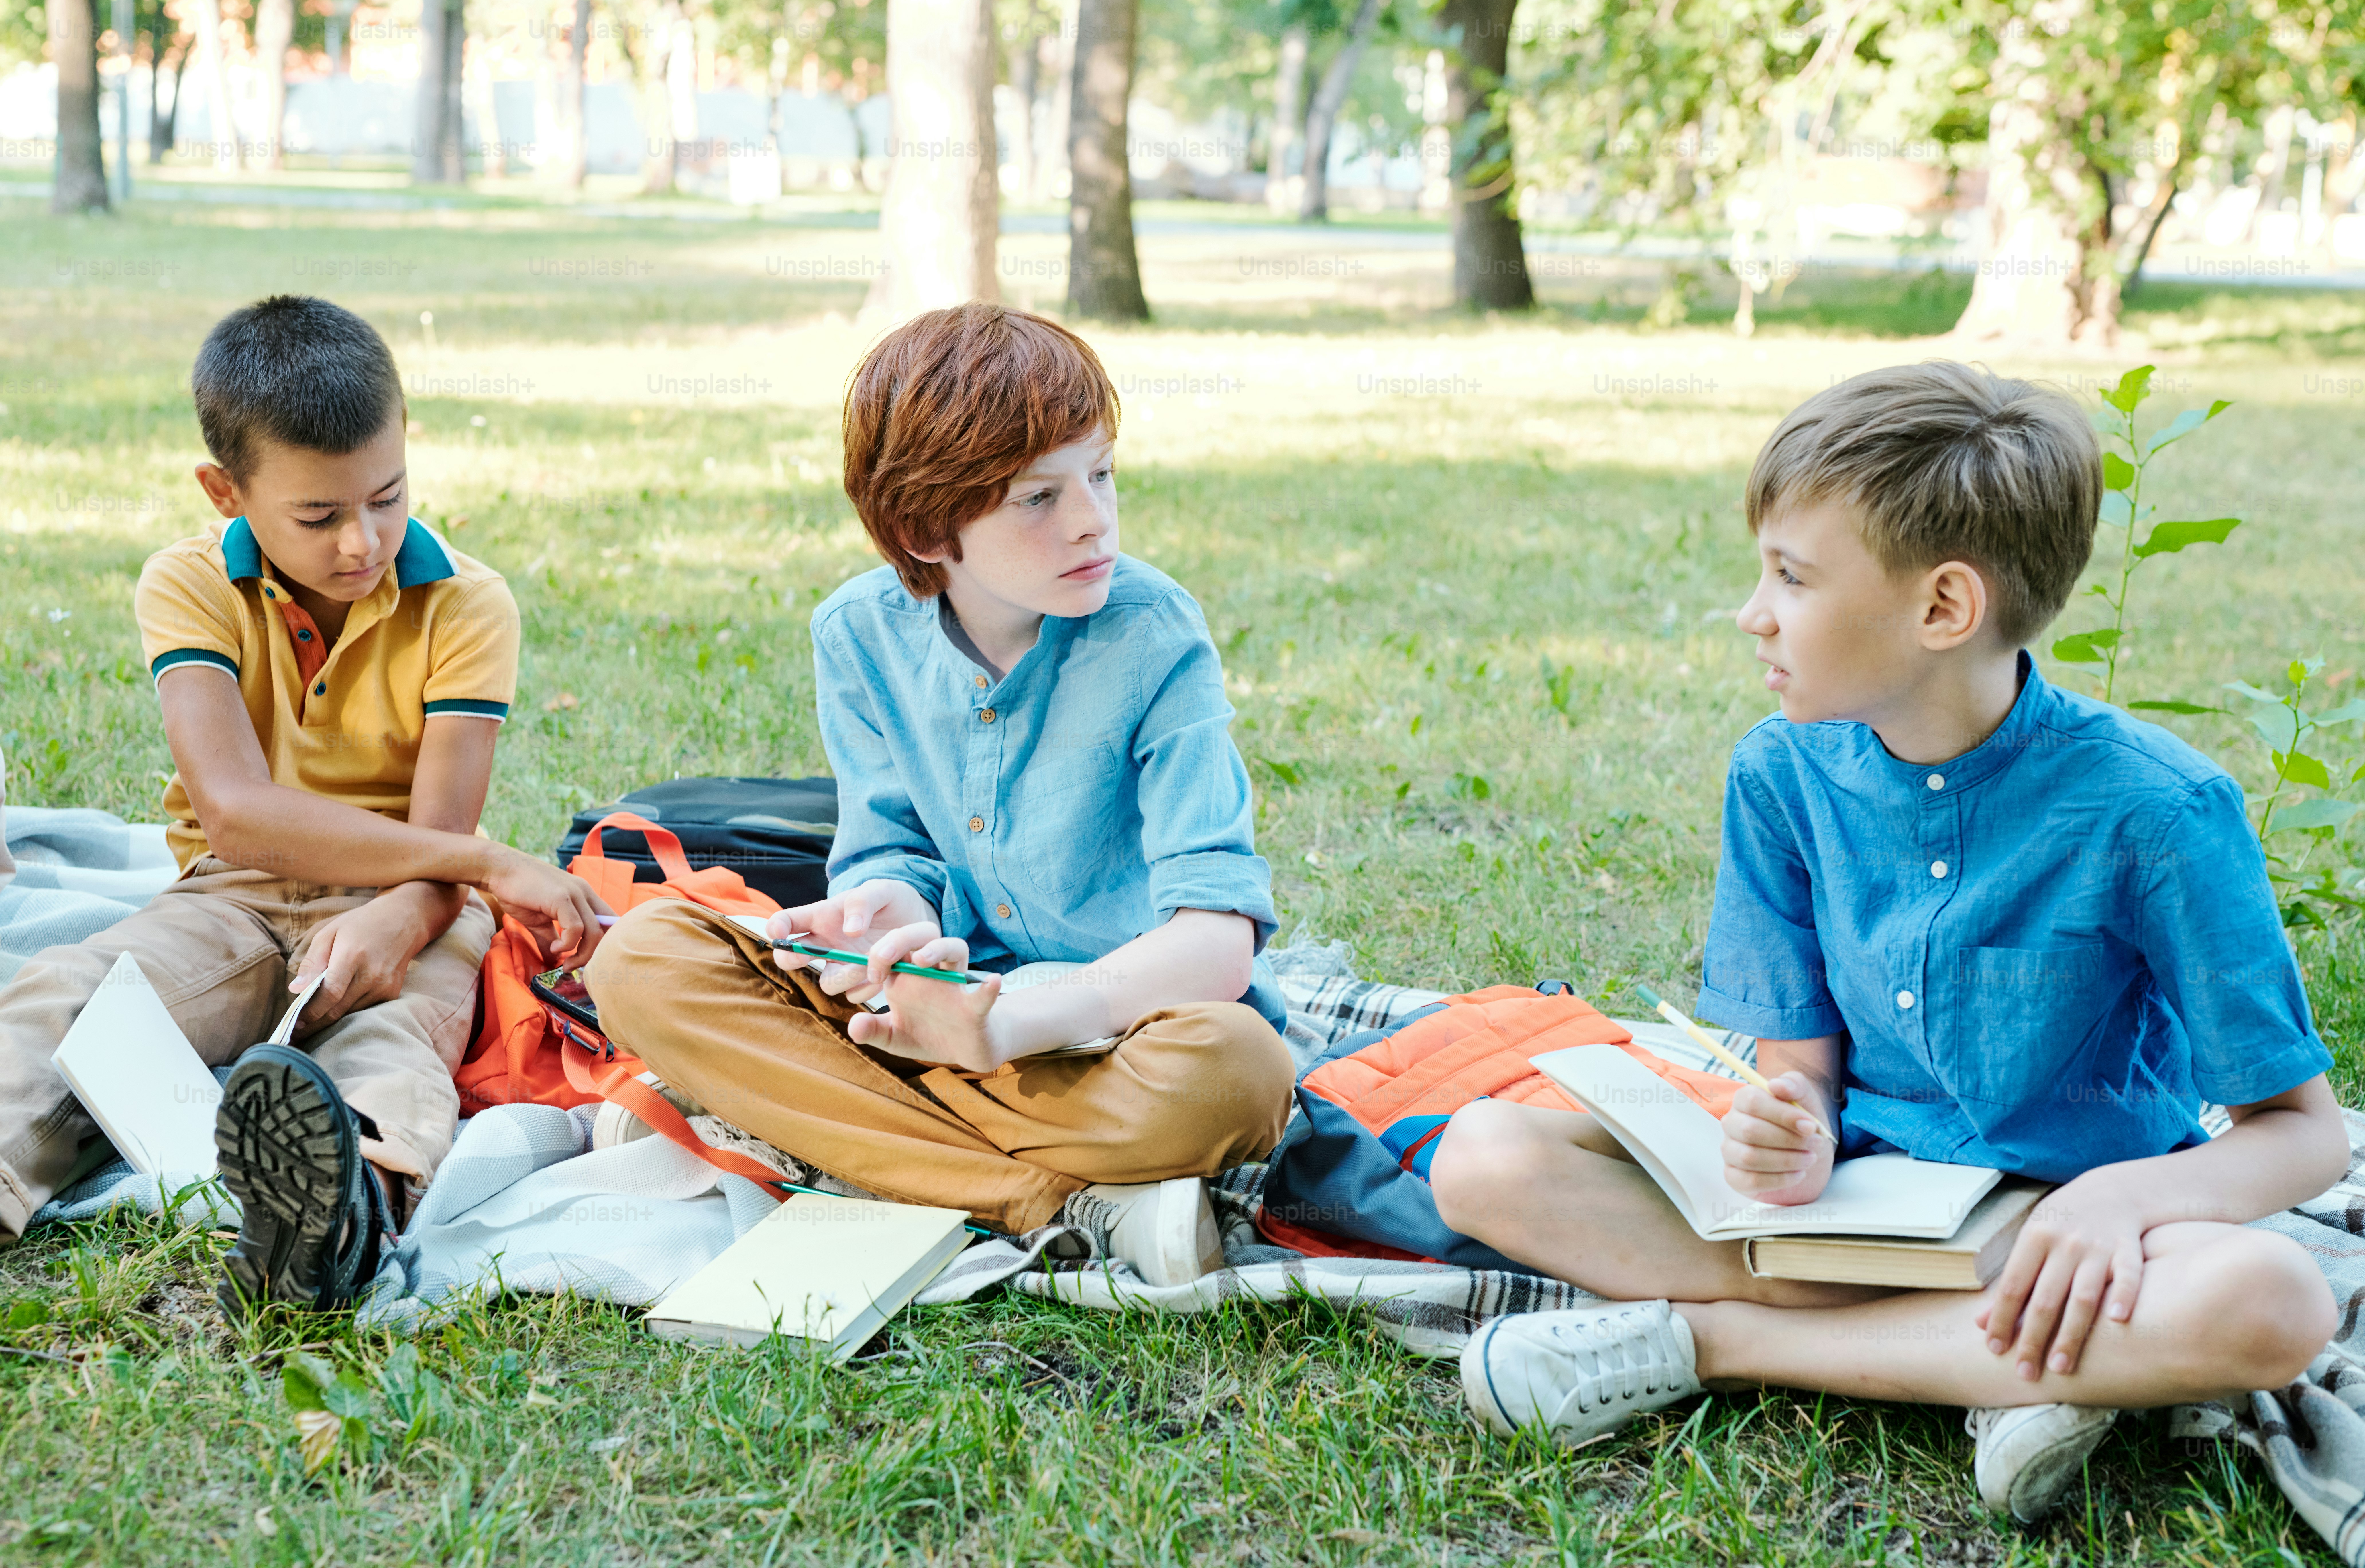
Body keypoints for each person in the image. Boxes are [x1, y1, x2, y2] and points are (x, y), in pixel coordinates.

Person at [1429, 361, 2344, 1521]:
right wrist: (1793, 1122)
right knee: (1484, 1157)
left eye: (1792, 577)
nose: (1751, 612)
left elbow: (2303, 1137)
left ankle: (1713, 1344)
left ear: (1944, 609)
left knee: (2272, 1300)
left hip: (2057, 1233)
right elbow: (1798, 1062)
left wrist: (2117, 1204)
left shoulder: (2160, 810)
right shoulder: (1780, 772)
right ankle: (2010, 1370)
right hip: (1850, 1214)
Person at [586, 304, 1293, 1284]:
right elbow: (890, 852)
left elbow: (1216, 943)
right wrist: (890, 909)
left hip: (1110, 1028)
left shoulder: (1154, 635)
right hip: (930, 1011)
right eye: (1037, 498)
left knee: (1240, 1074)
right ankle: (1060, 1204)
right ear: (926, 530)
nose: (1093, 518)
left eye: (1101, 473)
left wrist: (999, 1030)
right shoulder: (858, 634)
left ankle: (797, 1121)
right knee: (641, 958)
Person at [0, 296, 608, 1316]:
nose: (363, 543)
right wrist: (497, 870)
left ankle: (340, 1221)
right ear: (224, 491)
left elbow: (439, 845)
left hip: (415, 899)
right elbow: (234, 813)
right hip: (236, 891)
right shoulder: (190, 585)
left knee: (393, 1042)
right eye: (318, 517)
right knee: (78, 999)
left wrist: (405, 912)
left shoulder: (467, 602)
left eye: (388, 496)